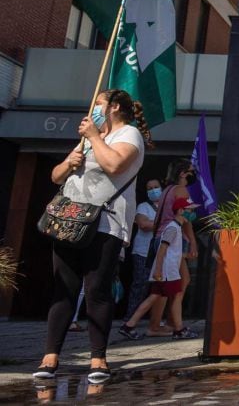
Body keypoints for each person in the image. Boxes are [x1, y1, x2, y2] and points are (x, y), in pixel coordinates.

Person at [35, 89, 150, 384]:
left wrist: (95, 138)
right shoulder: (88, 138)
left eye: (98, 104)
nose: (94, 109)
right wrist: (69, 163)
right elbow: (56, 176)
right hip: (70, 219)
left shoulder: (129, 135)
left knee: (97, 289)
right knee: (64, 287)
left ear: (113, 107)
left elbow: (114, 165)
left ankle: (98, 357)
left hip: (104, 223)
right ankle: (51, 355)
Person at [117, 198, 199, 339]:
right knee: (175, 297)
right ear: (180, 211)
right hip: (167, 272)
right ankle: (179, 329)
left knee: (154, 297)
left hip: (167, 271)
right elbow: (162, 249)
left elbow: (171, 251)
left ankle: (129, 325)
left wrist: (185, 255)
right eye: (189, 210)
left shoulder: (175, 228)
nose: (192, 213)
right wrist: (158, 270)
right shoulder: (173, 228)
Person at [147, 161, 199, 338]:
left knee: (181, 281)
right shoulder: (181, 191)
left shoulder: (166, 191)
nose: (194, 174)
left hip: (162, 236)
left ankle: (172, 322)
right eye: (191, 171)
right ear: (183, 174)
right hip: (173, 238)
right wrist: (193, 243)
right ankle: (157, 325)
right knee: (167, 286)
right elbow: (186, 219)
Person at [123, 178, 162, 324]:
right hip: (143, 253)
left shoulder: (168, 207)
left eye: (156, 187)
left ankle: (155, 319)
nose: (153, 190)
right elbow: (143, 224)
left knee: (160, 287)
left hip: (162, 253)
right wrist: (166, 222)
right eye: (149, 188)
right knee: (140, 285)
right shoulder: (143, 207)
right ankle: (130, 318)